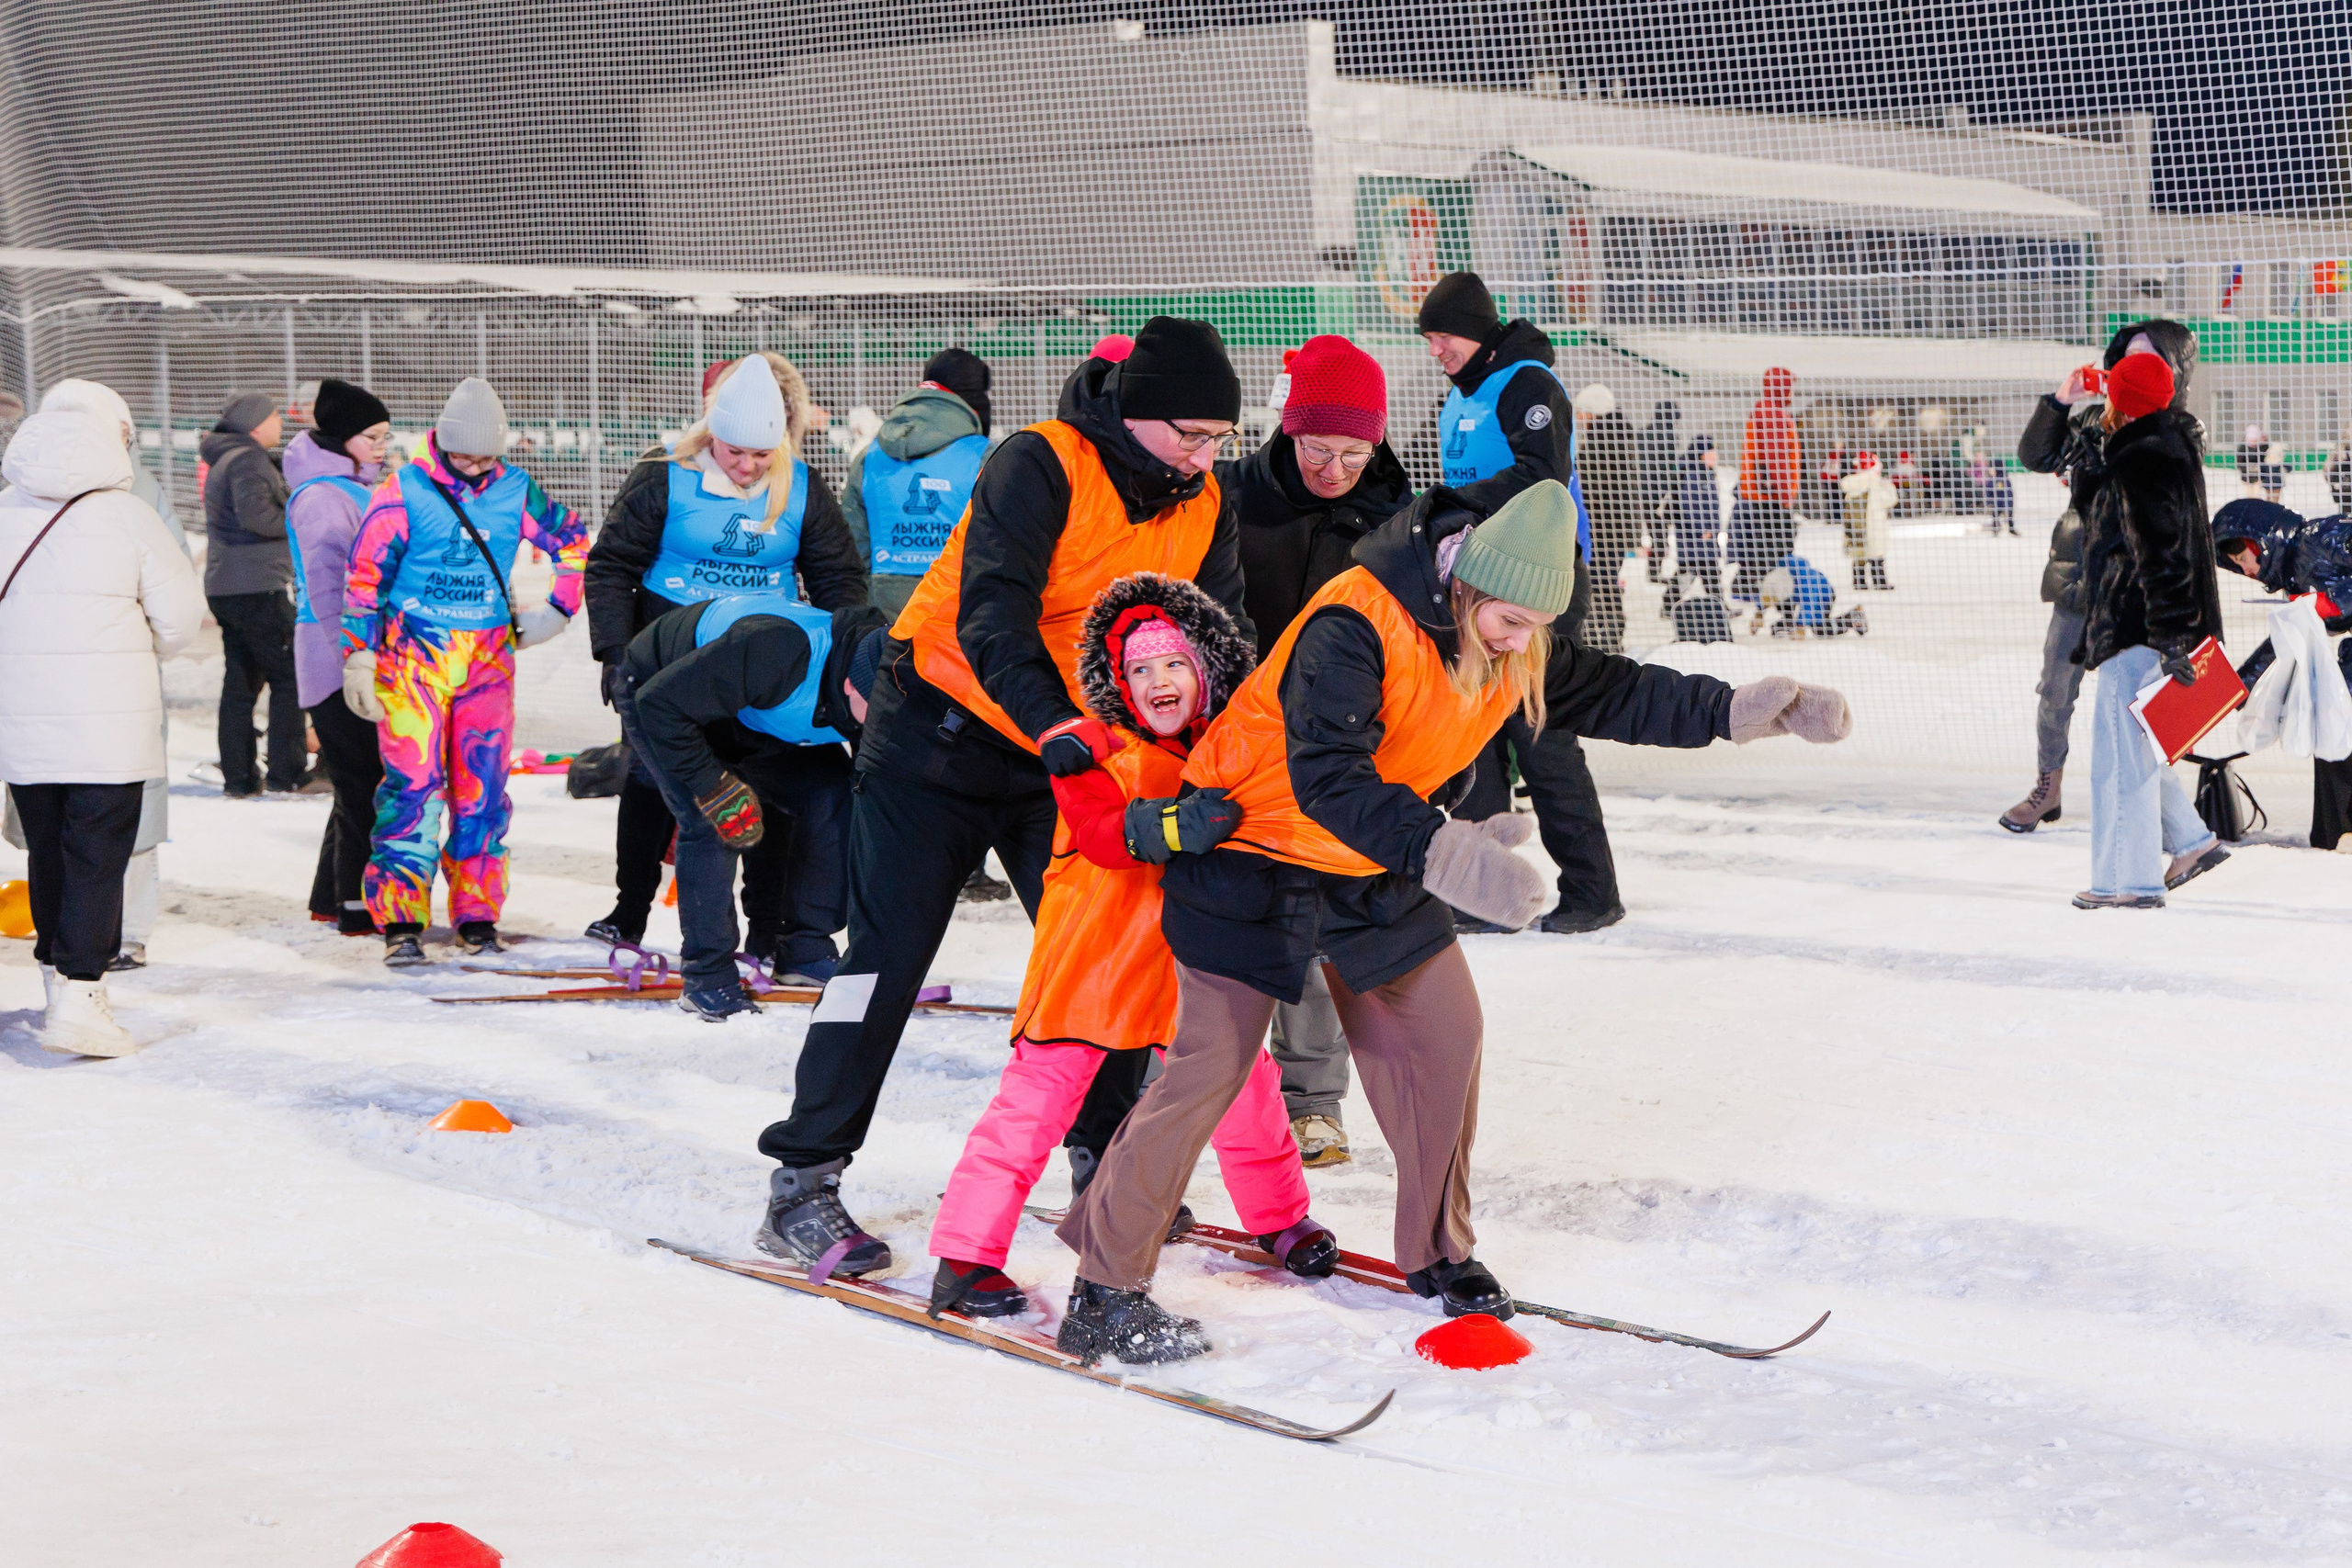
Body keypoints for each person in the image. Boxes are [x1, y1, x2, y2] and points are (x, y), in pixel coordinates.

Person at [1051, 480, 1849, 1363]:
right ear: (1465, 586)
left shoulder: (1511, 638)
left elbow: (1612, 690)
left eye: (1533, 628)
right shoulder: (1352, 624)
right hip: (1251, 845)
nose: (1519, 643)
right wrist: (1450, 855)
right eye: (1508, 622)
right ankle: (1105, 1284)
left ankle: (1437, 1249)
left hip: (1372, 856)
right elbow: (1329, 780)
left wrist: (1735, 711)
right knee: (1210, 1070)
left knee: (1444, 1034)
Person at [750, 316, 1253, 1277]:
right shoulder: (1041, 463)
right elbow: (993, 611)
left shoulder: (1203, 498)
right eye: (1188, 434)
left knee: (1102, 955)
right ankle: (802, 1181)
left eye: (1217, 440)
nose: (1202, 455)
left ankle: (1102, 1160)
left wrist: (1224, 744)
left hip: (1065, 752)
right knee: (885, 957)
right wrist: (1055, 720)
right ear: (1139, 415)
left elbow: (1218, 634)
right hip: (935, 735)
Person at [925, 571, 1328, 1318]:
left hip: (1191, 957)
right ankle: (964, 1255)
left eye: (1173, 663)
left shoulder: (1235, 743)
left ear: (1206, 668)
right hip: (1095, 960)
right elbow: (1106, 838)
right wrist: (1174, 825)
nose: (1158, 680)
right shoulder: (1090, 748)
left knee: (1245, 1083)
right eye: (1138, 670)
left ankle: (1279, 1216)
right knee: (1036, 1103)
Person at [581, 354, 862, 954]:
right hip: (671, 657)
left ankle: (765, 928)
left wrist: (841, 659)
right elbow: (613, 563)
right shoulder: (663, 476)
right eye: (737, 452)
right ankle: (630, 908)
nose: (749, 465)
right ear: (713, 434)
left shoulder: (803, 487)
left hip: (765, 668)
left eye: (762, 454)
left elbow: (837, 579)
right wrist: (613, 650)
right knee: (656, 782)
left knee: (769, 796)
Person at [1218, 333, 1412, 1168]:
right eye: (1315, 448)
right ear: (1286, 429)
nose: (1334, 468)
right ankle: (1202, 1086)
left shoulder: (1397, 519)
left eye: (1353, 452)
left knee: (1314, 916)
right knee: (1221, 916)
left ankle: (1312, 1099)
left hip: (1334, 746)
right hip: (1231, 737)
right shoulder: (1229, 498)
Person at [341, 378, 586, 964]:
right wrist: (359, 652)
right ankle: (401, 918)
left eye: (485, 454)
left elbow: (573, 541)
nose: (473, 465)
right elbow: (364, 577)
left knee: (483, 788)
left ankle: (477, 915)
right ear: (442, 442)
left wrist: (558, 608)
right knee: (412, 788)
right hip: (412, 661)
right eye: (462, 453)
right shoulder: (403, 491)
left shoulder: (517, 490)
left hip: (486, 664)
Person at [1416, 272, 1621, 936]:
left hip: (1541, 582)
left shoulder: (1528, 383)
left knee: (1542, 734)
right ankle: (1483, 894)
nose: (1435, 350)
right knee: (1471, 732)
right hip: (1480, 584)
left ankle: (1593, 891)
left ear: (1473, 331)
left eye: (1441, 336)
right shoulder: (1460, 394)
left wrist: (1454, 507)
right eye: (1429, 339)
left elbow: (1542, 475)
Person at [0, 409, 203, 1054]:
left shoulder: (3, 511)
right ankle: (82, 992)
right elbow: (180, 619)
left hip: (22, 718)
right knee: (97, 853)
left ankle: (54, 979)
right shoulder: (130, 515)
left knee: (47, 847)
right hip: (109, 723)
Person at [615, 592, 888, 1017]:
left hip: (751, 705)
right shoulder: (777, 649)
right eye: (880, 714)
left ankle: (805, 950)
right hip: (663, 691)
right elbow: (658, 704)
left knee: (833, 795)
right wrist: (712, 785)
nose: (886, 725)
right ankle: (706, 975)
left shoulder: (881, 673)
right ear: (851, 685)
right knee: (712, 822)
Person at [2005, 321, 2211, 849]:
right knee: (2056, 687)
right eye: (2127, 357)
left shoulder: (2180, 431)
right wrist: (2061, 402)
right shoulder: (2095, 420)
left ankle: (2168, 820)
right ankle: (2047, 786)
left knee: (2139, 708)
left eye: (2149, 359)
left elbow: (2159, 517)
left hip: (2135, 588)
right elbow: (2036, 457)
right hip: (2080, 577)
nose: (2131, 366)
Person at [29, 380, 187, 969]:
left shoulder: (10, 496)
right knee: (121, 812)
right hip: (115, 691)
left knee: (53, 824)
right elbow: (176, 611)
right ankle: (113, 941)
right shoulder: (135, 495)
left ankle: (69, 946)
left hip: (36, 695)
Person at [2072, 350, 2225, 909]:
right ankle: (2187, 843)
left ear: (2123, 397)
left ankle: (2127, 882)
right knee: (2131, 751)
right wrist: (2091, 467)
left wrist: (2168, 634)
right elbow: (2112, 527)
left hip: (2137, 626)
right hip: (2141, 626)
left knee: (2119, 762)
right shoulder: (2158, 446)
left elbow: (2162, 555)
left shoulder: (2143, 456)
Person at [284, 378, 393, 937]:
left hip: (354, 652)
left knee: (358, 780)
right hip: (335, 657)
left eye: (384, 435)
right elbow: (329, 592)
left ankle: (332, 896)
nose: (381, 445)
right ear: (342, 438)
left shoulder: (348, 487)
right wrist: (353, 658)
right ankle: (356, 904)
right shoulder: (324, 497)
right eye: (371, 436)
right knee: (362, 783)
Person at [2212, 497, 2352, 850]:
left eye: (2243, 559)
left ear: (2260, 541)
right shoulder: (2295, 578)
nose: (2246, 571)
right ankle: (2333, 833)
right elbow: (2285, 641)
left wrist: (2336, 600)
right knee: (2332, 722)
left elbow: (2327, 605)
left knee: (2339, 718)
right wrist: (2239, 686)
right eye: (2237, 567)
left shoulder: (2322, 536)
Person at [200, 391, 303, 796]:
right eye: (276, 416)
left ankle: (240, 777)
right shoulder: (247, 458)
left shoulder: (229, 457)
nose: (281, 423)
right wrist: (302, 517)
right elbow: (257, 516)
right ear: (256, 425)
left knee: (241, 683)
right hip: (256, 584)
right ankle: (287, 771)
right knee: (289, 676)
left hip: (229, 584)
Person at [842, 348, 992, 619]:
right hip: (963, 631)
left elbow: (852, 556)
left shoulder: (869, 459)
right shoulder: (985, 457)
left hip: (883, 633)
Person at [1572, 382, 1641, 654]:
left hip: (1604, 530)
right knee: (1604, 581)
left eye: (1582, 412)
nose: (1579, 418)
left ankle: (1608, 634)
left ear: (1594, 413)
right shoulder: (1618, 437)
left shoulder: (1601, 445)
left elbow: (1591, 489)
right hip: (1615, 529)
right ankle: (1609, 633)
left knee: (1599, 581)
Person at [1731, 367, 1801, 603]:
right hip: (1769, 496)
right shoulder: (1774, 415)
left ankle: (1746, 589)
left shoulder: (1763, 411)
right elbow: (1776, 457)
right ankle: (1768, 593)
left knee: (1758, 546)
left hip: (1758, 492)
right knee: (1775, 548)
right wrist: (1784, 494)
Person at [1661, 434, 1723, 618]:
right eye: (1712, 452)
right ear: (1702, 454)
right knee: (1689, 572)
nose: (1715, 456)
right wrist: (1702, 529)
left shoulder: (1705, 474)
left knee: (1708, 573)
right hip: (1696, 537)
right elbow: (1691, 505)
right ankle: (1668, 605)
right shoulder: (1694, 475)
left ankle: (1720, 606)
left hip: (1704, 537)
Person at [1637, 399, 1682, 580]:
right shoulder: (1669, 436)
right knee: (1659, 534)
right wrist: (1671, 490)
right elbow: (1670, 466)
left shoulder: (1641, 433)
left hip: (1638, 490)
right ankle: (1654, 572)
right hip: (1657, 494)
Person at [1839, 451, 1895, 591]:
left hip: (1855, 528)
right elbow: (1889, 501)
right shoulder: (1875, 485)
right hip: (1874, 526)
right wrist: (1889, 487)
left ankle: (1859, 582)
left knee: (1859, 556)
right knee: (1876, 556)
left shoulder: (1852, 484)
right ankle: (1880, 582)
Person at [2236, 424, 2266, 500]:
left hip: (2258, 476)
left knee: (2256, 495)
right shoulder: (2243, 448)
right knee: (2249, 496)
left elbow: (2264, 459)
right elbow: (2240, 462)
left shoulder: (2262, 447)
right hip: (2246, 476)